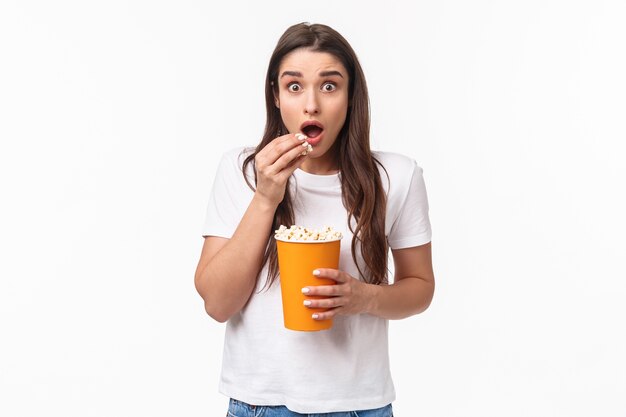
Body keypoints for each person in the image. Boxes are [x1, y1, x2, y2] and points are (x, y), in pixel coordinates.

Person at [195, 22, 434, 416]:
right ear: (275, 96)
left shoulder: (398, 176)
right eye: (294, 86)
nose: (311, 105)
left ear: (351, 95)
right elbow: (217, 304)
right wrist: (266, 196)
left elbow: (421, 287)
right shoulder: (241, 170)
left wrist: (365, 297)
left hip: (360, 405)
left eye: (329, 86)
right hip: (260, 404)